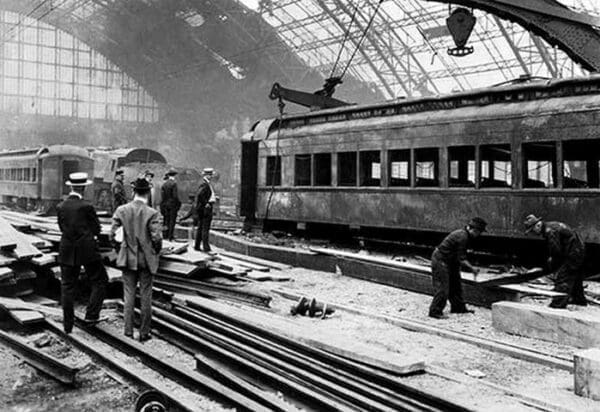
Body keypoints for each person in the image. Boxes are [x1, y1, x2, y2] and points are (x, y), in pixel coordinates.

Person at [110, 177, 162, 342]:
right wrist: (155, 252)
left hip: (127, 258)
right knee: (146, 295)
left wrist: (120, 249)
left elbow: (112, 234)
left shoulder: (121, 210)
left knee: (129, 295)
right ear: (147, 193)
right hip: (146, 260)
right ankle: (144, 332)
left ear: (133, 192)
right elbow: (157, 238)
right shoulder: (152, 213)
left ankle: (128, 331)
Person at [57, 172, 108, 333]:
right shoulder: (87, 206)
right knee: (100, 280)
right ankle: (91, 316)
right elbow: (97, 229)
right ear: (83, 188)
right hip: (87, 250)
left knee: (67, 286)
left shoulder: (61, 206)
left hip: (67, 250)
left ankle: (67, 325)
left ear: (71, 186)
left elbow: (61, 228)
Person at [428, 217, 487, 319]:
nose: (479, 235)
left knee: (456, 285)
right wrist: (472, 269)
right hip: (441, 260)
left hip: (451, 261)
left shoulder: (465, 235)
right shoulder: (462, 237)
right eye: (479, 232)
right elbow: (462, 258)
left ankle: (458, 307)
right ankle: (435, 311)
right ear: (473, 230)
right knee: (443, 287)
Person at [524, 214, 587, 308]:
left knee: (563, 276)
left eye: (533, 230)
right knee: (575, 276)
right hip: (577, 249)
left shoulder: (550, 231)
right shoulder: (551, 226)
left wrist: (552, 265)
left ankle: (558, 304)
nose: (534, 233)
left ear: (538, 225)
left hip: (573, 252)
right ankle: (579, 299)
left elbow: (556, 251)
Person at [181, 168, 216, 252]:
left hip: (202, 209)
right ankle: (206, 247)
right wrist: (206, 203)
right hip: (206, 209)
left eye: (211, 175)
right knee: (205, 229)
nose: (211, 176)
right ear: (206, 175)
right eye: (210, 175)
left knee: (200, 228)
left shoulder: (204, 183)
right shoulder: (204, 184)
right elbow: (200, 195)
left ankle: (197, 245)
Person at [160, 168, 181, 241]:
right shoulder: (174, 184)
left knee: (166, 220)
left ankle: (164, 235)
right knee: (172, 221)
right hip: (172, 205)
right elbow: (175, 196)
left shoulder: (164, 184)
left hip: (165, 205)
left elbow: (162, 197)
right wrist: (178, 204)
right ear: (174, 176)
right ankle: (170, 236)